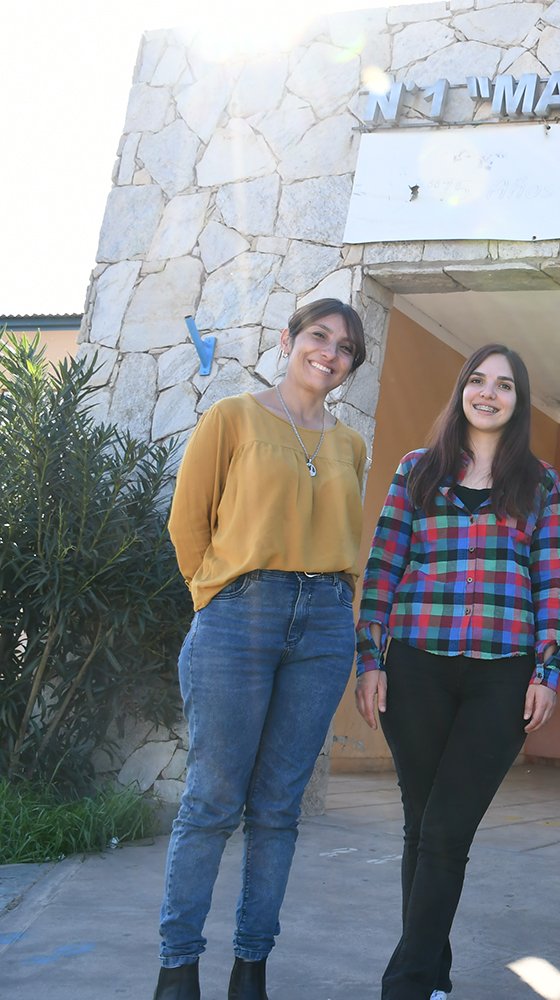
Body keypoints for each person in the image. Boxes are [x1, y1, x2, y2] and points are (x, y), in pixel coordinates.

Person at [156, 299, 369, 1000]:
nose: (329, 353)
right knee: (212, 800)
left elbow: (345, 540)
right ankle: (177, 969)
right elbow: (188, 522)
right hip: (238, 615)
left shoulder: (349, 445)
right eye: (318, 336)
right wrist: (213, 596)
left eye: (344, 347)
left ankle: (251, 968)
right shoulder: (233, 419)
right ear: (288, 341)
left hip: (326, 623)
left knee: (279, 806)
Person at [356, 344, 560, 1000]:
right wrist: (370, 658)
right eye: (477, 381)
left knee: (446, 827)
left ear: (517, 401)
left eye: (504, 385)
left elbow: (552, 583)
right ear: (461, 392)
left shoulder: (539, 483)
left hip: (501, 677)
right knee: (423, 824)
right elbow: (383, 568)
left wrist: (547, 668)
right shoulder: (417, 471)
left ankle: (405, 983)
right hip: (415, 667)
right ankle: (429, 976)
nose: (488, 393)